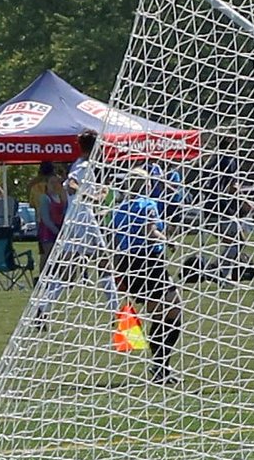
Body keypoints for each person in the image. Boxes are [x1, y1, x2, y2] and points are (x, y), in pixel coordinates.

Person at [34, 130, 121, 324]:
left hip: (74, 217)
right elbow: (71, 184)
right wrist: (91, 197)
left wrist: (96, 193)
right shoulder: (84, 165)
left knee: (68, 268)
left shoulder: (80, 164)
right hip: (83, 217)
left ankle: (42, 308)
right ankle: (116, 312)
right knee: (104, 262)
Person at [111, 167, 183, 383]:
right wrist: (169, 240)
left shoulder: (119, 209)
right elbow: (149, 231)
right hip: (148, 262)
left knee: (161, 313)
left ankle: (160, 367)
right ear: (146, 185)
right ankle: (160, 365)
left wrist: (117, 273)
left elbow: (114, 241)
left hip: (127, 265)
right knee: (174, 310)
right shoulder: (148, 204)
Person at [36, 171, 68, 270]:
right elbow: (45, 219)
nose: (54, 185)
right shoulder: (44, 198)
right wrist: (57, 232)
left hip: (59, 229)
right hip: (47, 231)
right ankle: (41, 280)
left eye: (56, 182)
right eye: (52, 182)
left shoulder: (60, 197)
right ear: (47, 184)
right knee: (47, 257)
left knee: (60, 257)